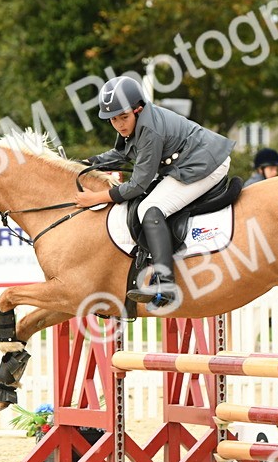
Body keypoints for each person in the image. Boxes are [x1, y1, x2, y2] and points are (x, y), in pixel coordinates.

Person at [76, 76, 234, 308]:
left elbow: (138, 185)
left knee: (150, 210)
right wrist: (86, 162)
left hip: (206, 163)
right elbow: (121, 154)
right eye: (113, 120)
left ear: (138, 109)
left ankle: (166, 285)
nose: (119, 125)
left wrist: (96, 198)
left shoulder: (149, 130)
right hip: (188, 162)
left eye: (124, 117)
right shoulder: (136, 123)